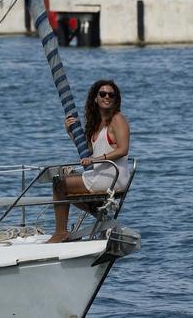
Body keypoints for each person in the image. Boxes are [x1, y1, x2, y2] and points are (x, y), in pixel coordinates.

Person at [47, 79, 131, 243]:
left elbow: (123, 149)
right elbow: (89, 151)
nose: (107, 97)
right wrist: (70, 132)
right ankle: (101, 217)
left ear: (116, 99)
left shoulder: (118, 119)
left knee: (60, 185)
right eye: (103, 94)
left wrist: (95, 160)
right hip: (101, 174)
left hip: (113, 177)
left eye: (111, 95)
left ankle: (60, 232)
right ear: (95, 98)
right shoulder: (98, 123)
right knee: (65, 185)